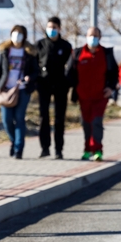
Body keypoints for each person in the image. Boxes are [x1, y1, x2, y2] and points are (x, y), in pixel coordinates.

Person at [65, 26, 118, 161]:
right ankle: (87, 149)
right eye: (90, 35)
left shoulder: (106, 54)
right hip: (83, 96)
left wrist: (110, 88)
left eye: (95, 36)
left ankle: (98, 150)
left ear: (100, 38)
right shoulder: (77, 53)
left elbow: (114, 74)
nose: (92, 38)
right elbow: (69, 73)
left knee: (96, 121)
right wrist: (74, 88)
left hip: (100, 96)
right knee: (86, 123)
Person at [0, 25, 38, 159]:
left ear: (24, 36)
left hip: (23, 90)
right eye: (15, 33)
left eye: (20, 33)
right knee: (7, 120)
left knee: (19, 119)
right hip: (6, 90)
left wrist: (30, 77)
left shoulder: (29, 52)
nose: (17, 36)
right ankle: (13, 140)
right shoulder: (5, 52)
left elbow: (36, 70)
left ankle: (18, 149)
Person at [35, 17, 72, 159]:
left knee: (59, 119)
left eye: (54, 27)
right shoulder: (40, 44)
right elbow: (34, 64)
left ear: (59, 29)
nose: (51, 30)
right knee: (44, 117)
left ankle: (58, 149)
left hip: (60, 85)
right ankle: (45, 148)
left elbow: (70, 66)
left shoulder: (66, 46)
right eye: (49, 27)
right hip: (44, 84)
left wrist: (67, 82)